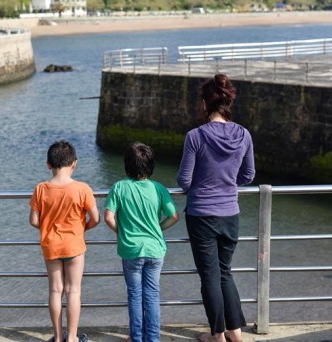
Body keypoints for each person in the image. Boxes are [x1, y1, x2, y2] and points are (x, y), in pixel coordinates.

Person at [176, 74, 255, 342]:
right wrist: (226, 182)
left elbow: (184, 181)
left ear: (204, 103)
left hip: (201, 214)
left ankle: (217, 336)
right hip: (230, 213)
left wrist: (203, 183)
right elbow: (248, 175)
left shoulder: (195, 136)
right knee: (225, 272)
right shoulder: (243, 134)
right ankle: (236, 334)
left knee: (210, 276)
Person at [104, 142, 180, 342]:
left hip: (131, 249)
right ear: (151, 164)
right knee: (152, 295)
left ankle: (136, 337)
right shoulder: (159, 188)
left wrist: (122, 232)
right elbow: (174, 217)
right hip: (155, 249)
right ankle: (153, 338)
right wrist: (158, 228)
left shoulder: (119, 187)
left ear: (127, 164)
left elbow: (108, 217)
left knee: (135, 296)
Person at [29, 140, 100, 342]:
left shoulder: (41, 189)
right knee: (73, 290)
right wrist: (81, 228)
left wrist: (49, 228)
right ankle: (73, 338)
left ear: (48, 164)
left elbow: (34, 220)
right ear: (74, 164)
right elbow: (95, 218)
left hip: (51, 244)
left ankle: (58, 337)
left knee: (55, 289)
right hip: (74, 245)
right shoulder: (82, 188)